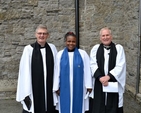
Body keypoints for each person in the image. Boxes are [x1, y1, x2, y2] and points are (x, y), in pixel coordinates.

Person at [16, 24, 58, 113]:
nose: (42, 35)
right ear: (35, 34)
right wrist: (26, 91)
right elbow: (24, 72)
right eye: (39, 33)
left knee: (49, 107)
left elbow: (56, 68)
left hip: (49, 86)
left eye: (44, 33)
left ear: (48, 35)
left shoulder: (52, 48)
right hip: (34, 87)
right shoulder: (28, 49)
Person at [53, 32, 92, 113]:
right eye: (69, 41)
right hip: (64, 87)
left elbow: (87, 70)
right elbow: (57, 71)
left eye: (73, 41)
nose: (71, 43)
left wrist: (88, 86)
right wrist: (56, 87)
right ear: (65, 42)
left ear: (76, 42)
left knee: (78, 106)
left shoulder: (83, 54)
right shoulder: (60, 55)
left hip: (79, 87)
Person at [89, 27, 126, 113]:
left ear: (111, 36)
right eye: (103, 35)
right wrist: (100, 77)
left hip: (113, 82)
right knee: (98, 106)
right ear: (100, 38)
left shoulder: (118, 48)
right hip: (99, 82)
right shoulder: (95, 49)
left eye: (107, 35)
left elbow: (120, 65)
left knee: (113, 106)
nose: (105, 37)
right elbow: (92, 64)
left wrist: (108, 77)